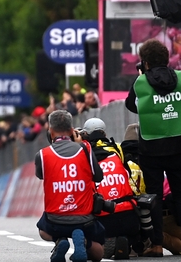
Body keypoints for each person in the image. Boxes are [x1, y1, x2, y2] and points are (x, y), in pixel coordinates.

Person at [124, 38, 181, 257]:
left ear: (145, 63)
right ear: (167, 59)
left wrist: (142, 82)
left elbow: (131, 105)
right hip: (179, 146)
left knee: (153, 196)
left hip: (151, 148)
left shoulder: (141, 83)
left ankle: (156, 245)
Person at [35, 110, 105, 262]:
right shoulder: (85, 150)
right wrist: (82, 146)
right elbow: (99, 177)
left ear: (50, 131)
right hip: (84, 219)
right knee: (99, 253)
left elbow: (41, 175)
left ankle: (60, 240)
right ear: (72, 130)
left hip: (55, 220)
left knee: (42, 230)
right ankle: (84, 242)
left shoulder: (42, 155)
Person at [82, 118, 140, 259]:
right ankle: (129, 241)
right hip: (129, 213)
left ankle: (101, 242)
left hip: (103, 215)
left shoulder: (85, 153)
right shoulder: (117, 149)